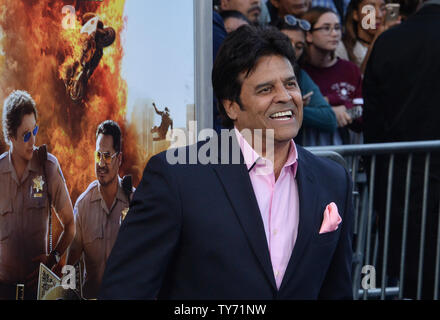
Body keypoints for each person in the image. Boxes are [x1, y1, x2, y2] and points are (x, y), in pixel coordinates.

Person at [99, 25, 354, 300]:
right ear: (231, 106)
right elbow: (125, 290)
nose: (285, 96)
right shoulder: (177, 178)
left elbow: (337, 291)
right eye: (266, 89)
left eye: (290, 83)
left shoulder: (333, 180)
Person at [363, 0, 440, 299]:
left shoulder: (390, 41)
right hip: (408, 180)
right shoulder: (390, 40)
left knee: (415, 278)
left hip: (403, 182)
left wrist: (378, 187)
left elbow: (374, 122)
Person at [0, 90, 75, 299]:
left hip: (38, 293)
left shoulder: (48, 168)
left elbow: (70, 224)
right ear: (11, 136)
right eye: (25, 135)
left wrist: (53, 258)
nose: (33, 139)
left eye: (35, 130)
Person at [66, 120, 133, 299]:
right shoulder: (83, 206)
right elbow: (70, 263)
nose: (101, 163)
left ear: (119, 159)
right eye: (98, 156)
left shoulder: (134, 203)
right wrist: (67, 295)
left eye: (107, 156)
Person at [302, 7, 363, 145]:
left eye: (337, 28)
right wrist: (329, 109)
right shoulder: (300, 71)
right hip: (307, 148)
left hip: (344, 150)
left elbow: (362, 111)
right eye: (326, 28)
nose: (334, 33)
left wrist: (340, 104)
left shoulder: (350, 69)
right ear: (309, 35)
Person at [276, 16, 337, 146]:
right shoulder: (253, 72)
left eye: (299, 46)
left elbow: (329, 119)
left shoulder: (300, 76)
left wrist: (298, 108)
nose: (292, 50)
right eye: (286, 42)